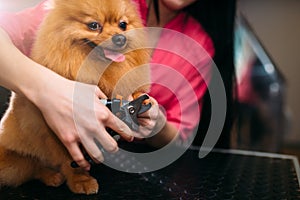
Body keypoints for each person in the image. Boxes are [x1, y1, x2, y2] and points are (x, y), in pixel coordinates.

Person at [0, 0, 236, 170]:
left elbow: (179, 138)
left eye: (123, 26)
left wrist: (157, 124)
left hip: (126, 167)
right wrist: (47, 88)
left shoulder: (198, 42)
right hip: (41, 151)